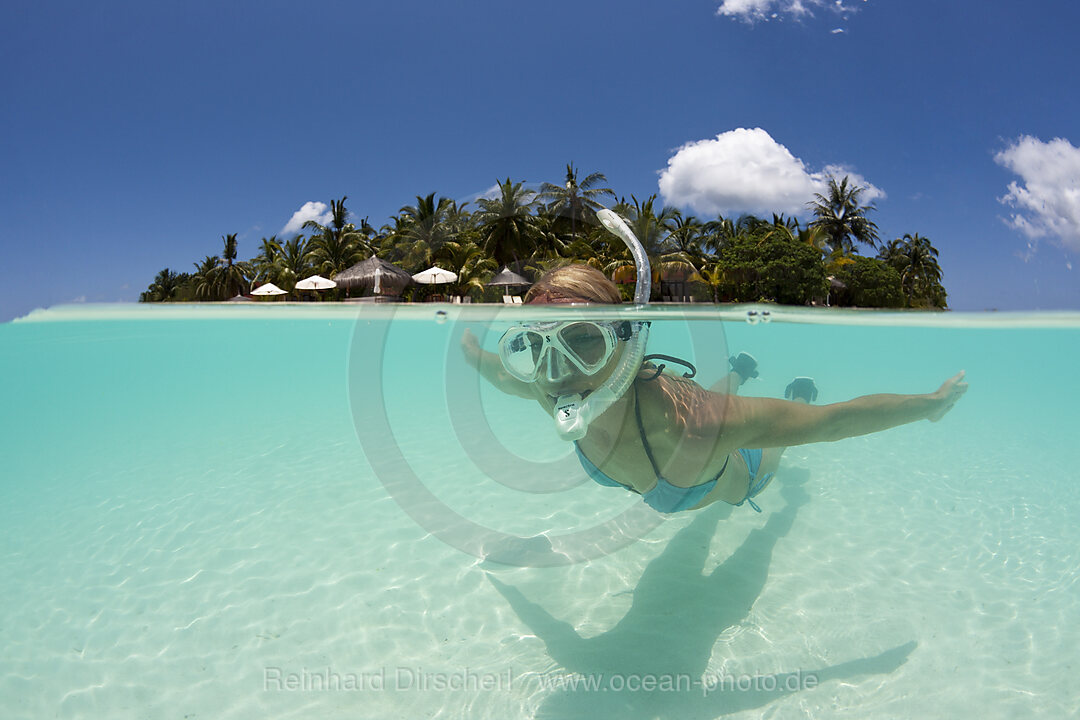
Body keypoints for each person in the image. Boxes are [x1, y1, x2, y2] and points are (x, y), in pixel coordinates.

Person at [461, 264, 968, 515]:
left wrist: (932, 404)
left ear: (625, 341)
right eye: (536, 346)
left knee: (784, 439)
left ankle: (801, 391)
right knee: (709, 388)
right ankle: (740, 369)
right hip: (677, 429)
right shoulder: (544, 389)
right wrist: (467, 347)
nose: (559, 371)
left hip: (736, 477)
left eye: (584, 344)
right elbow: (495, 369)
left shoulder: (702, 424)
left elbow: (837, 421)